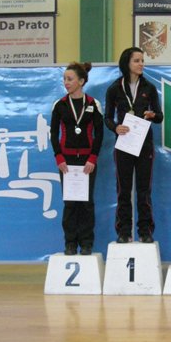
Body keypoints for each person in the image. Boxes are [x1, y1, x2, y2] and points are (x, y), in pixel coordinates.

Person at [104, 47, 163, 243]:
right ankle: (124, 232)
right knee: (124, 190)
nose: (141, 64)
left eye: (142, 60)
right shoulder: (114, 88)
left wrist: (153, 115)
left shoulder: (149, 88)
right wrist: (116, 127)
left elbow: (160, 116)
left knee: (144, 190)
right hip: (124, 145)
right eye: (137, 60)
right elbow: (107, 118)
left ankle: (145, 231)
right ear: (127, 63)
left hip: (144, 145)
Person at [50, 62, 104, 255]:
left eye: (70, 79)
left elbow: (99, 134)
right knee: (71, 203)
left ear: (81, 81)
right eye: (64, 79)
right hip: (67, 163)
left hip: (87, 163)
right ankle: (70, 243)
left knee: (87, 203)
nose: (66, 82)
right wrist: (59, 158)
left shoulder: (92, 104)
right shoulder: (60, 105)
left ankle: (87, 243)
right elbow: (53, 133)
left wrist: (93, 158)